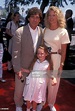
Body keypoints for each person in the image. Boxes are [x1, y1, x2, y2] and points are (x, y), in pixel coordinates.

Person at [12, 7, 43, 111]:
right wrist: (17, 69)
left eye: (37, 17)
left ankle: (31, 102)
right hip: (22, 66)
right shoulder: (20, 32)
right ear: (28, 18)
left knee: (33, 88)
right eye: (33, 17)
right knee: (19, 89)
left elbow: (44, 47)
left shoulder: (41, 32)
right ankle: (18, 104)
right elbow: (15, 52)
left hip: (35, 67)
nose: (35, 19)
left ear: (40, 19)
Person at [43, 6, 70, 111]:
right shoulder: (44, 30)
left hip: (57, 59)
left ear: (58, 16)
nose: (51, 18)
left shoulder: (63, 31)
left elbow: (63, 51)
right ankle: (41, 101)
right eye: (49, 15)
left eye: (54, 15)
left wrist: (62, 64)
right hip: (44, 59)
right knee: (42, 82)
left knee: (54, 84)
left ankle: (51, 103)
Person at [22, 46, 57, 111]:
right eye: (38, 53)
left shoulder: (47, 64)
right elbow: (31, 71)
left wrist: (53, 78)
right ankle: (28, 109)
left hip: (39, 84)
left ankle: (34, 109)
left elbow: (49, 73)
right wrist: (24, 70)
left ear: (46, 54)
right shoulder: (35, 61)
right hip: (31, 81)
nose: (39, 55)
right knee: (28, 97)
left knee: (35, 98)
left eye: (42, 53)